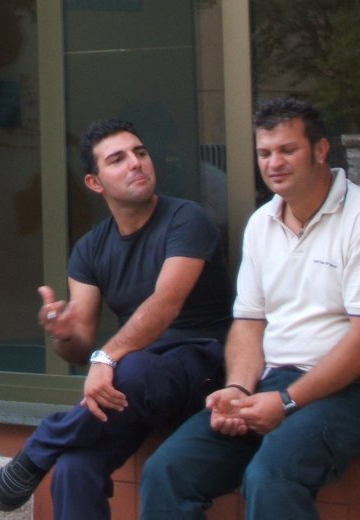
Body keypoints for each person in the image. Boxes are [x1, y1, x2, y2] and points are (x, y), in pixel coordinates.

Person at [0, 118, 232, 517]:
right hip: (137, 386)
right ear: (95, 183)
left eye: (140, 153)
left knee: (129, 370)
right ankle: (53, 451)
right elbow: (79, 348)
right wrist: (63, 335)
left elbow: (164, 305)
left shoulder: (187, 219)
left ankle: (41, 444)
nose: (135, 163)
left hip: (204, 368)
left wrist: (106, 358)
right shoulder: (89, 249)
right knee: (72, 467)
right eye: (117, 159)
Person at [140, 98, 360, 518]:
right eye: (264, 153)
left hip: (345, 390)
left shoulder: (356, 218)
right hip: (271, 385)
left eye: (286, 150)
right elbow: (247, 324)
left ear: (320, 150)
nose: (273, 162)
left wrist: (288, 402)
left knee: (272, 477)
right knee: (167, 470)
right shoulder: (261, 223)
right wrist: (239, 389)